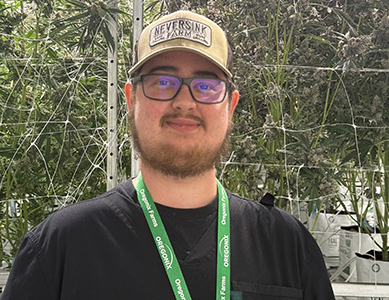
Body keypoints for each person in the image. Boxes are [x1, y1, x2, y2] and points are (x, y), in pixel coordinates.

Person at [2, 10, 335, 300]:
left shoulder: (288, 248)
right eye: (163, 82)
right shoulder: (58, 250)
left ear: (230, 107)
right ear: (131, 101)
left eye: (206, 86)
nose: (185, 102)